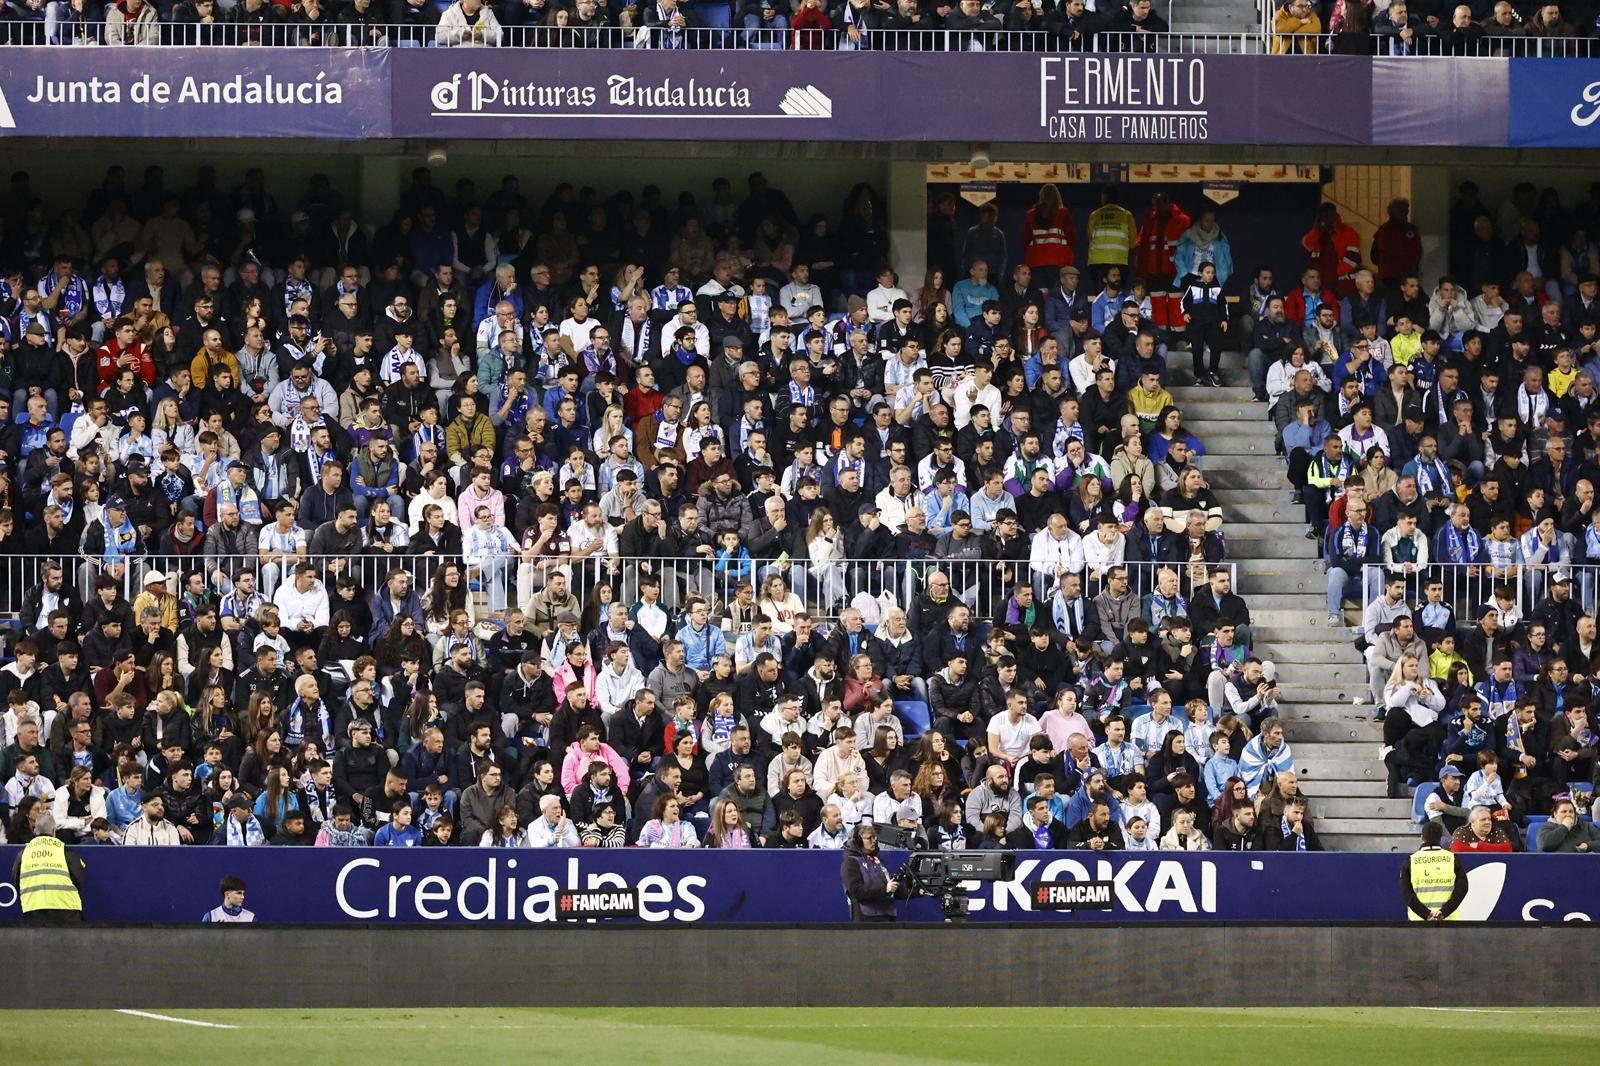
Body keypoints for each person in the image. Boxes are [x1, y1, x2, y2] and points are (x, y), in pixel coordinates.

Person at [12, 812, 84, 924]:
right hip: (66, 911)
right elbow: (79, 878)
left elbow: (16, 881)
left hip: (33, 910)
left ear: (35, 831)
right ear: (54, 831)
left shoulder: (23, 854)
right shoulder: (64, 851)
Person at [1402, 820, 1467, 921]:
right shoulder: (1452, 859)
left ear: (1422, 837)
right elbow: (1462, 889)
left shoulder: (1411, 861)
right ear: (1440, 838)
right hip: (1448, 919)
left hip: (1419, 920)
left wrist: (1426, 914)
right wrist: (1444, 912)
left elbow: (1407, 893)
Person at [840, 823, 899, 922]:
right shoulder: (850, 863)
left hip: (887, 916)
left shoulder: (878, 860)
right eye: (869, 838)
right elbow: (856, 891)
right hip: (866, 919)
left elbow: (890, 887)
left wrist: (915, 891)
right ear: (858, 841)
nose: (874, 841)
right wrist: (884, 889)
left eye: (874, 837)